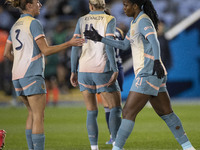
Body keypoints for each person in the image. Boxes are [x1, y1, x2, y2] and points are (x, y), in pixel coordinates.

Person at [84, 0, 196, 150]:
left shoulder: (143, 21)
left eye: (126, 5)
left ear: (135, 6)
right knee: (166, 113)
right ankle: (188, 147)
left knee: (128, 112)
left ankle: (117, 148)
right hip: (153, 73)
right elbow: (124, 45)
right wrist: (100, 38)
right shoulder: (135, 23)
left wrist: (156, 61)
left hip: (148, 72)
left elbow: (154, 40)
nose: (123, 8)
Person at [3, 0, 84, 150]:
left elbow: (7, 53)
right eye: (37, 2)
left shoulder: (15, 26)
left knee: (32, 114)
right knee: (38, 116)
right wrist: (69, 43)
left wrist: (20, 61)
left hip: (17, 76)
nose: (40, 4)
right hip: (32, 74)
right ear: (28, 5)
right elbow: (45, 50)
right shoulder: (34, 23)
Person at [70, 0, 122, 149]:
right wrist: (114, 68)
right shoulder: (109, 19)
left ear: (90, 6)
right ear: (104, 6)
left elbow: (75, 46)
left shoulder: (82, 20)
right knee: (116, 108)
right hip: (102, 68)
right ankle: (116, 145)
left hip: (84, 69)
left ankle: (94, 147)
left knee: (91, 111)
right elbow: (109, 45)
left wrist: (73, 70)